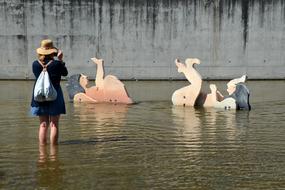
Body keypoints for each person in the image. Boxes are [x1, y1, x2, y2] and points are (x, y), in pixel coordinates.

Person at [172, 58, 251, 110]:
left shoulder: (228, 102)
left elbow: (216, 104)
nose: (227, 89)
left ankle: (186, 67)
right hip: (195, 100)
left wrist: (214, 91)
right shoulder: (227, 102)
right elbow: (216, 104)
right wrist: (213, 91)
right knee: (197, 82)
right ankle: (187, 66)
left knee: (197, 82)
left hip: (197, 100)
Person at [31, 39, 68, 145]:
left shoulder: (35, 64)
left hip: (39, 96)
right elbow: (65, 73)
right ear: (53, 52)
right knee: (54, 124)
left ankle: (42, 152)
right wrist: (60, 60)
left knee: (43, 124)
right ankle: (54, 152)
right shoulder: (57, 64)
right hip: (55, 95)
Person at [66, 57, 133, 104]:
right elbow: (93, 101)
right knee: (100, 84)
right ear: (78, 83)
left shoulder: (90, 90)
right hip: (106, 103)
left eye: (84, 76)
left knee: (100, 83)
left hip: (108, 100)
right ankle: (99, 63)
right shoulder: (80, 96)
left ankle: (99, 63)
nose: (86, 77)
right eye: (82, 77)